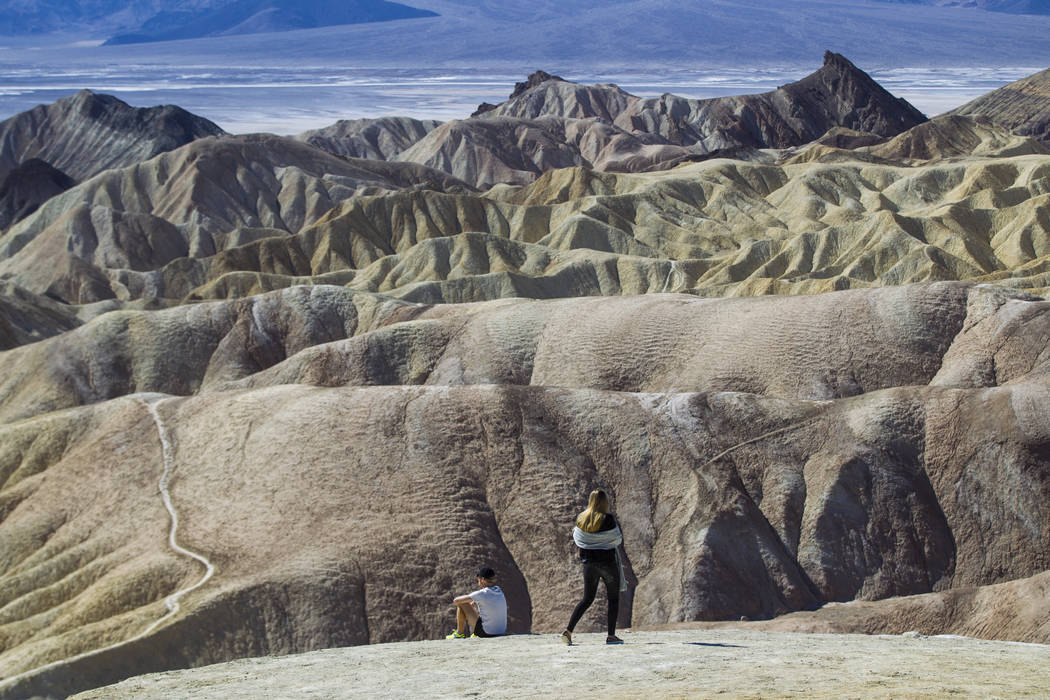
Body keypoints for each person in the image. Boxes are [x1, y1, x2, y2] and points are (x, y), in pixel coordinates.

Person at [561, 489, 625, 645]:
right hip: (608, 563)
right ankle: (611, 635)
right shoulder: (607, 519)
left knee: (587, 599)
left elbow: (578, 537)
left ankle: (568, 631)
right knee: (613, 598)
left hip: (589, 565)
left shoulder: (581, 519)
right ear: (604, 502)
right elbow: (616, 539)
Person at [446, 566, 507, 639]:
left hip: (487, 633)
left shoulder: (482, 593)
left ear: (482, 580)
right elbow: (488, 601)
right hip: (501, 631)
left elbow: (456, 600)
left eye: (478, 579)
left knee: (462, 604)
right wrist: (474, 602)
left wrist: (469, 603)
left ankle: (459, 633)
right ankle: (473, 633)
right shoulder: (499, 590)